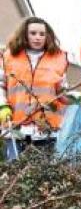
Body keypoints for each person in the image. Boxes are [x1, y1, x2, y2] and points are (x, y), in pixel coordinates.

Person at [0, 17, 68, 156]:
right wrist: (2, 107)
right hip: (15, 125)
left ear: (47, 36)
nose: (38, 37)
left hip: (46, 128)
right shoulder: (9, 57)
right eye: (33, 33)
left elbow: (62, 92)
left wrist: (75, 99)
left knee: (44, 174)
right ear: (24, 34)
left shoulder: (58, 59)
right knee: (16, 172)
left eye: (42, 34)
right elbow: (1, 85)